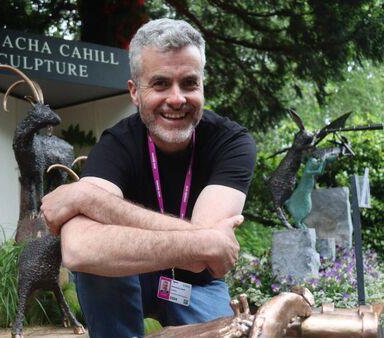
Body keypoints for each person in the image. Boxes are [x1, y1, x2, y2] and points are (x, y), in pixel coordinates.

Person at [40, 18, 256, 337]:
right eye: (160, 84)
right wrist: (204, 240)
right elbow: (79, 249)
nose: (177, 98)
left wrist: (90, 199)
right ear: (135, 92)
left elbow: (201, 262)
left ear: (202, 86)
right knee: (97, 267)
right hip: (128, 277)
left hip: (195, 285)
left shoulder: (231, 142)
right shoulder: (116, 143)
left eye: (189, 83)